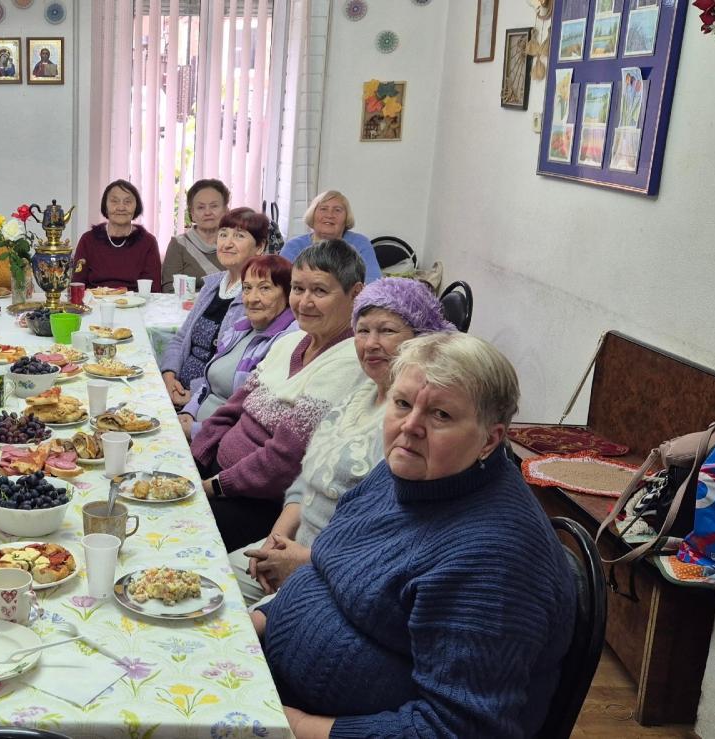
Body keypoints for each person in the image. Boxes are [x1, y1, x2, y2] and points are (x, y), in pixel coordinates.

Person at [253, 332, 575, 738]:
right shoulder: (406, 472)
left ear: (490, 440)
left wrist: (292, 725)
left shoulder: (496, 562)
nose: (410, 426)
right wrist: (251, 627)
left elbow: (456, 729)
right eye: (402, 404)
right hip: (275, 683)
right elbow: (324, 573)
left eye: (440, 415)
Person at [234, 278, 453, 603]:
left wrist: (303, 561)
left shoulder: (412, 426)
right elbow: (306, 480)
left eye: (387, 331)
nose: (371, 343)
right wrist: (275, 539)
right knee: (200, 577)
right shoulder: (358, 391)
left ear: (421, 339)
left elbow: (389, 535)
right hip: (291, 548)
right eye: (362, 331)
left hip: (337, 576)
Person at [191, 239, 370, 550]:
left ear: (355, 294)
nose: (304, 302)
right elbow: (232, 409)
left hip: (257, 502)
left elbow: (284, 460)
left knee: (172, 527)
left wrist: (212, 486)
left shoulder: (348, 361)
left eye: (320, 291)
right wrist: (196, 459)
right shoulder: (290, 341)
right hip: (218, 474)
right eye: (298, 289)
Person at [177, 254, 295, 439]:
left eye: (265, 288)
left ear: (288, 294)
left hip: (218, 442)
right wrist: (189, 412)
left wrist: (196, 430)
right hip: (197, 428)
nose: (252, 298)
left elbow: (253, 419)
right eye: (247, 288)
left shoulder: (286, 342)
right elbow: (208, 383)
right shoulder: (240, 328)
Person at [161, 207, 269, 408]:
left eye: (239, 236)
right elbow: (181, 338)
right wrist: (168, 376)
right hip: (177, 388)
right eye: (223, 234)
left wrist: (194, 393)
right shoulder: (212, 285)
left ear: (260, 246)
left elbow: (237, 368)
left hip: (211, 401)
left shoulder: (258, 297)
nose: (227, 243)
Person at [72, 179, 161, 291]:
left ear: (136, 206)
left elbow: (153, 289)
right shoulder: (88, 240)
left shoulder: (148, 242)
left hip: (136, 301)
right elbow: (77, 284)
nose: (121, 207)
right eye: (114, 201)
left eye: (127, 202)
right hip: (95, 300)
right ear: (105, 206)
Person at [280, 190, 380, 282]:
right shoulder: (293, 246)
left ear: (346, 218)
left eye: (337, 210)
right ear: (312, 215)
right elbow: (281, 285)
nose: (329, 215)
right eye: (323, 209)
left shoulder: (360, 243)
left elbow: (373, 283)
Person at [161, 179, 230, 291]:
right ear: (192, 214)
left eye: (214, 206)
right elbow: (170, 289)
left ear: (226, 210)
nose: (207, 212)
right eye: (201, 207)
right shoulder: (179, 244)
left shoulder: (236, 243)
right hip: (187, 303)